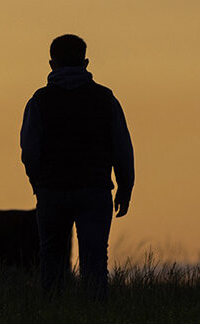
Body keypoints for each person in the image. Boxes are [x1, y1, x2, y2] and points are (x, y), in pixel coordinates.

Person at [20, 34, 134, 300]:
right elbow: (122, 148)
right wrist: (125, 188)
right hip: (95, 191)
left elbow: (29, 151)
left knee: (52, 263)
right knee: (95, 262)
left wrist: (38, 184)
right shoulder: (106, 99)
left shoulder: (38, 101)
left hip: (52, 192)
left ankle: (54, 313)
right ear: (85, 62)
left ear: (52, 64)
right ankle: (95, 313)